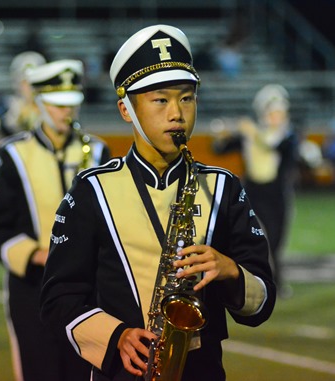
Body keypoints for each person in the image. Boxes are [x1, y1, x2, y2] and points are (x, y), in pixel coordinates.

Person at [40, 25, 276, 381]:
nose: (177, 114)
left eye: (186, 98)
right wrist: (115, 336)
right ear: (126, 109)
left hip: (204, 370)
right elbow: (59, 297)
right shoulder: (92, 190)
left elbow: (262, 303)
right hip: (122, 371)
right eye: (160, 100)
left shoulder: (222, 187)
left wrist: (229, 270)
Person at [0, 59, 111, 381]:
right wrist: (37, 255)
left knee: (84, 371)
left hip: (87, 285)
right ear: (39, 103)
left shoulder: (97, 152)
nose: (66, 113)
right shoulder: (13, 154)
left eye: (72, 104)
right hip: (32, 287)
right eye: (57, 105)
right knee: (39, 369)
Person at [212, 84, 298, 298]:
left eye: (280, 113)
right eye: (274, 113)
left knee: (276, 240)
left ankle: (275, 282)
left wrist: (251, 131)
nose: (278, 117)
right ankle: (254, 280)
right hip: (252, 194)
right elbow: (220, 149)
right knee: (254, 239)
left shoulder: (285, 136)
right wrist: (222, 134)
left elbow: (276, 147)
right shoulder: (250, 135)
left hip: (277, 195)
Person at [0, 51, 46, 136]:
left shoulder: (50, 105)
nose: (30, 88)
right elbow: (6, 133)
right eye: (25, 83)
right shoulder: (9, 106)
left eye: (33, 84)